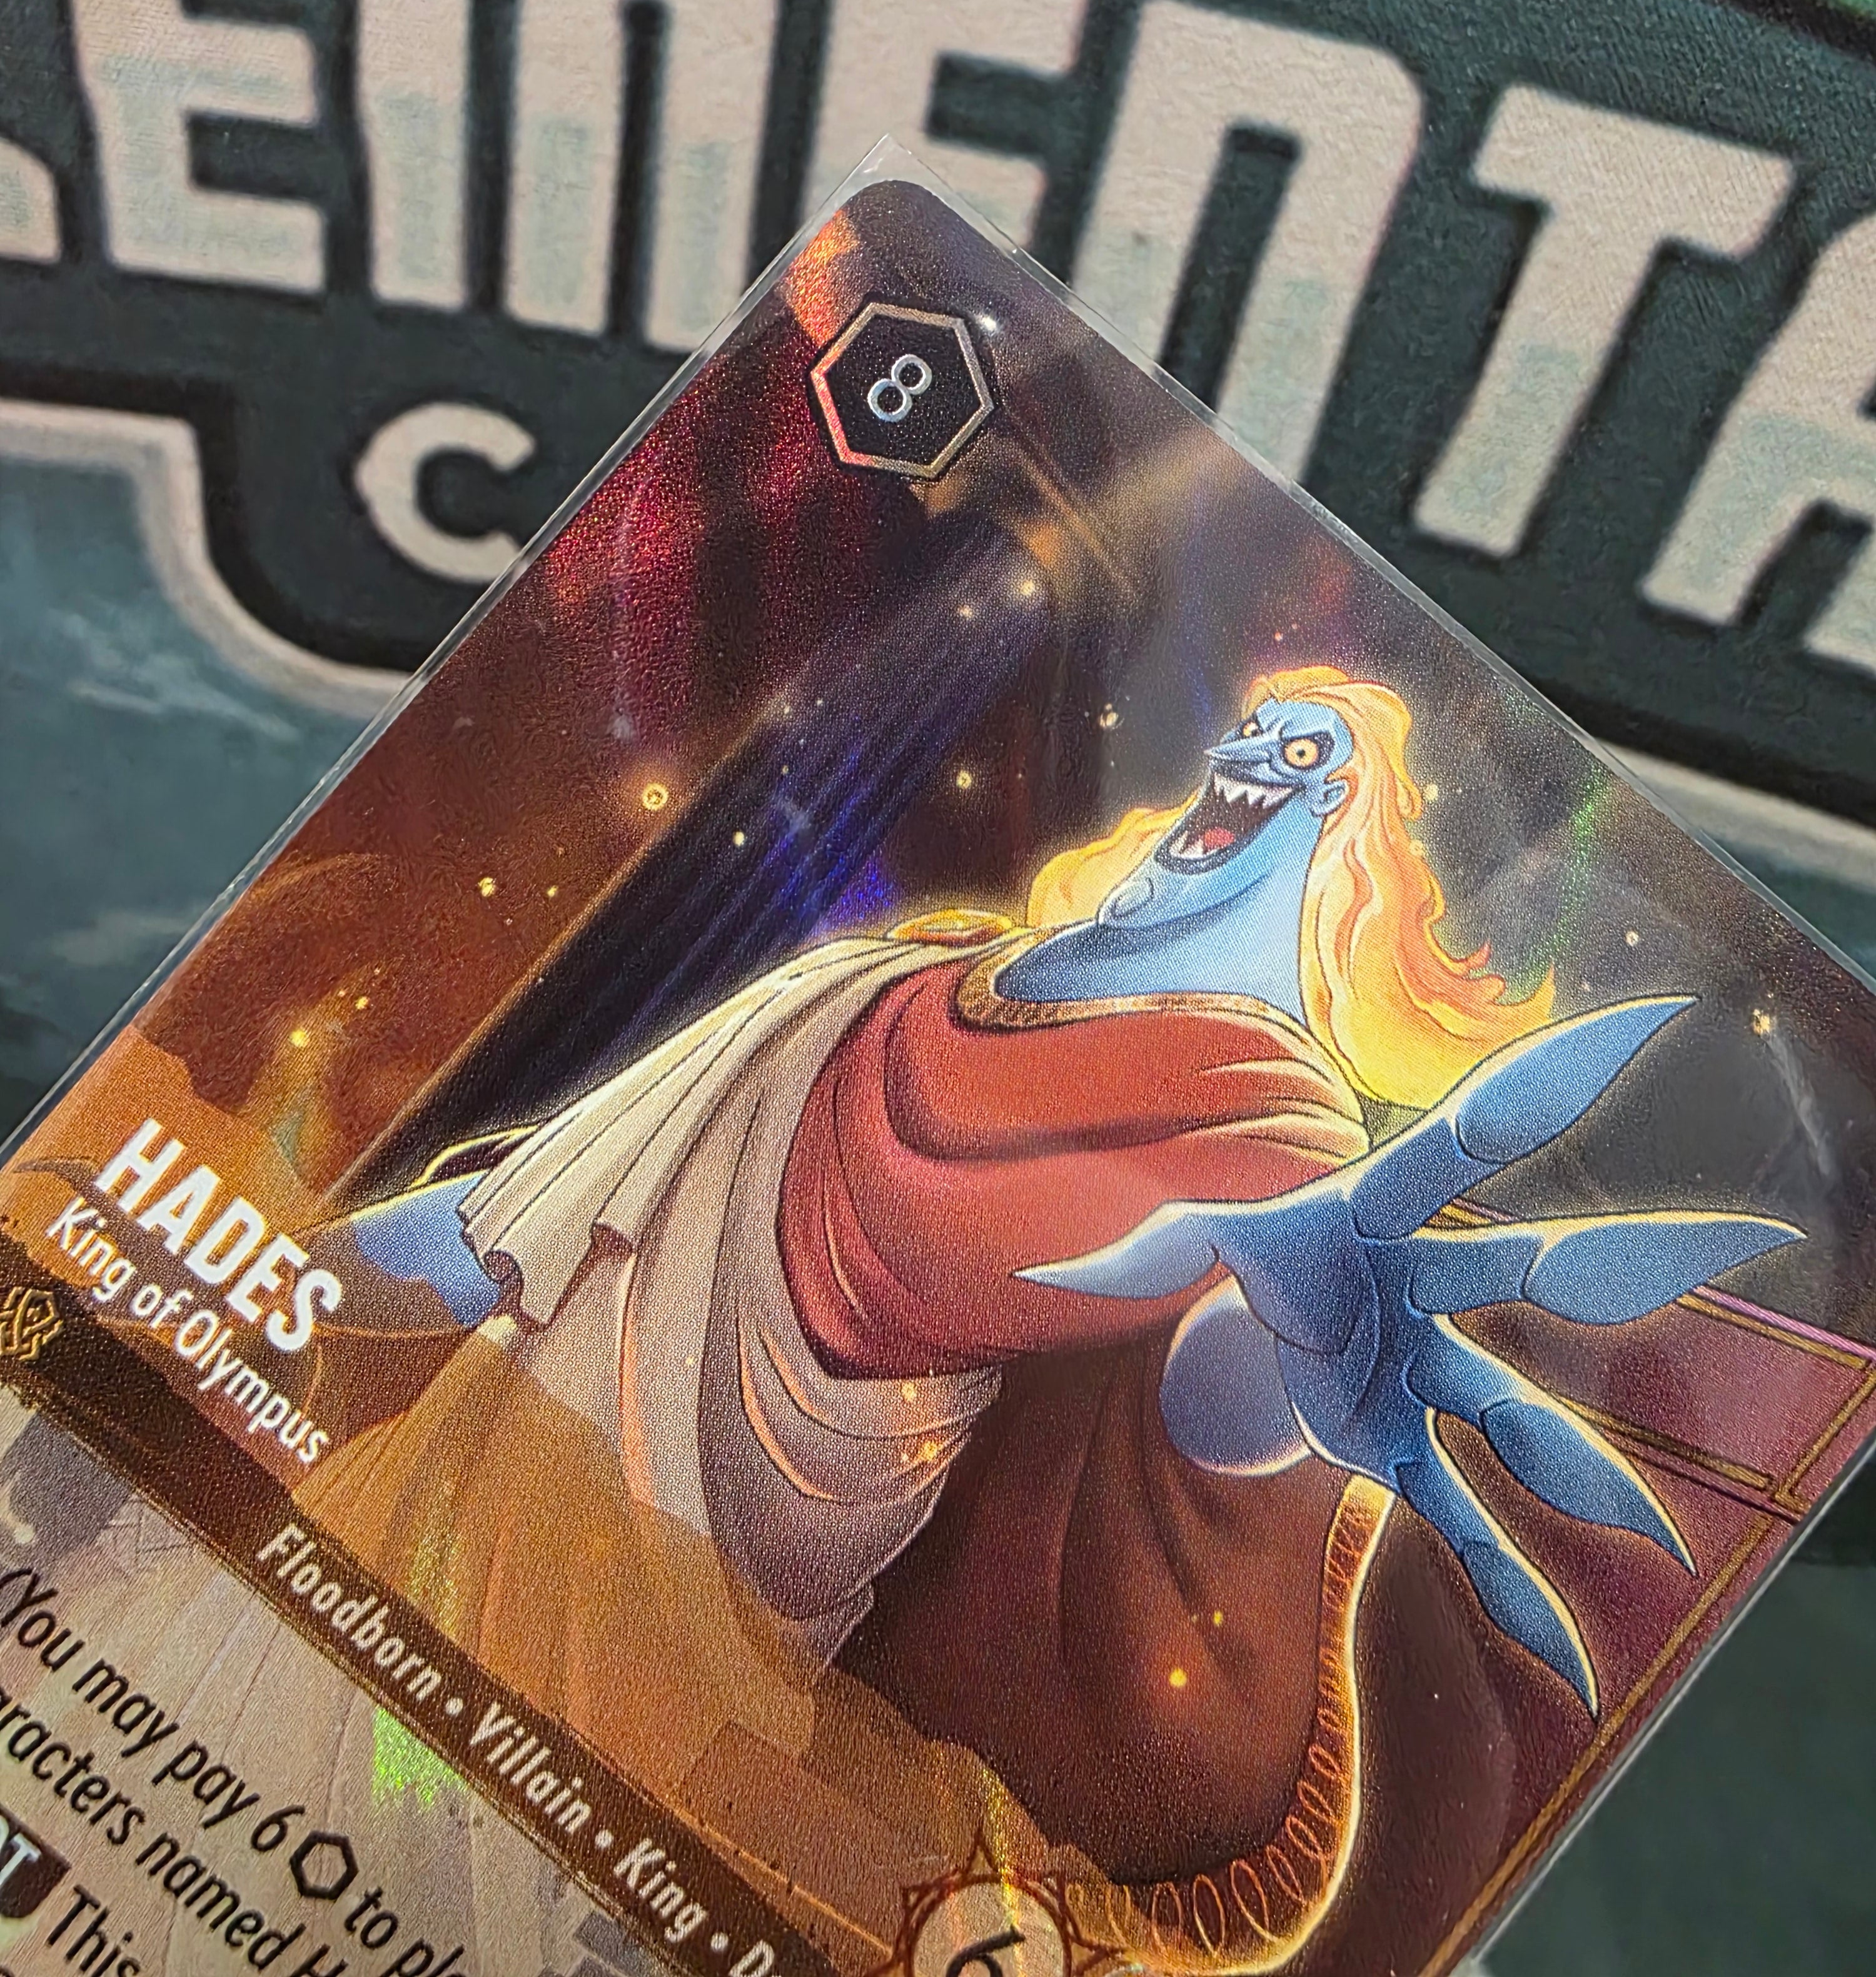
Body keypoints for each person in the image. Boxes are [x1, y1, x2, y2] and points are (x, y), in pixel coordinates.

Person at [301, 665, 1790, 1968]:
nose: (1244, 769)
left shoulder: (1273, 1120)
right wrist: (267, 1286)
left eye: (1302, 757)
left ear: (1354, 834)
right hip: (446, 1469)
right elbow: (544, 1211)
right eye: (1252, 736)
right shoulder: (914, 968)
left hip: (720, 1564)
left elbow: (1213, 1411)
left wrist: (1302, 1358)